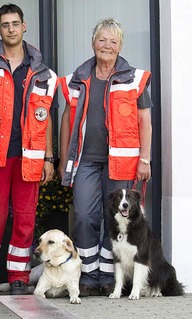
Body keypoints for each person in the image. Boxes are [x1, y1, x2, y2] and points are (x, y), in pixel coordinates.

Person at [58, 18, 153, 297]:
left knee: (116, 219)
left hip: (121, 161)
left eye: (113, 41)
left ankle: (110, 277)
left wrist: (144, 159)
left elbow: (144, 122)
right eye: (102, 40)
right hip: (85, 160)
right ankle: (88, 275)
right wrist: (65, 158)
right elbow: (67, 120)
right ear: (93, 43)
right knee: (85, 215)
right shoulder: (79, 77)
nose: (107, 46)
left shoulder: (133, 78)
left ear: (120, 46)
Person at [0, 3, 58, 297]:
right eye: (5, 25)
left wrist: (49, 157)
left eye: (15, 24)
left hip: (30, 156)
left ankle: (19, 276)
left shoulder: (43, 72)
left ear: (24, 27)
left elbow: (46, 116)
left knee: (25, 218)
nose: (11, 29)